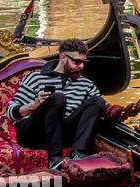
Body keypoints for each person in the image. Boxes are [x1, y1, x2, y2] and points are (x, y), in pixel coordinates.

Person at [6, 38, 106, 169]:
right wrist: (34, 106)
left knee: (98, 101)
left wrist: (122, 111)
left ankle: (77, 154)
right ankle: (54, 159)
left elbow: (103, 107)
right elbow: (10, 112)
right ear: (63, 57)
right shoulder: (36, 78)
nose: (81, 66)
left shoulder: (85, 83)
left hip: (62, 133)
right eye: (76, 62)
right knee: (57, 98)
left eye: (83, 62)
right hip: (33, 134)